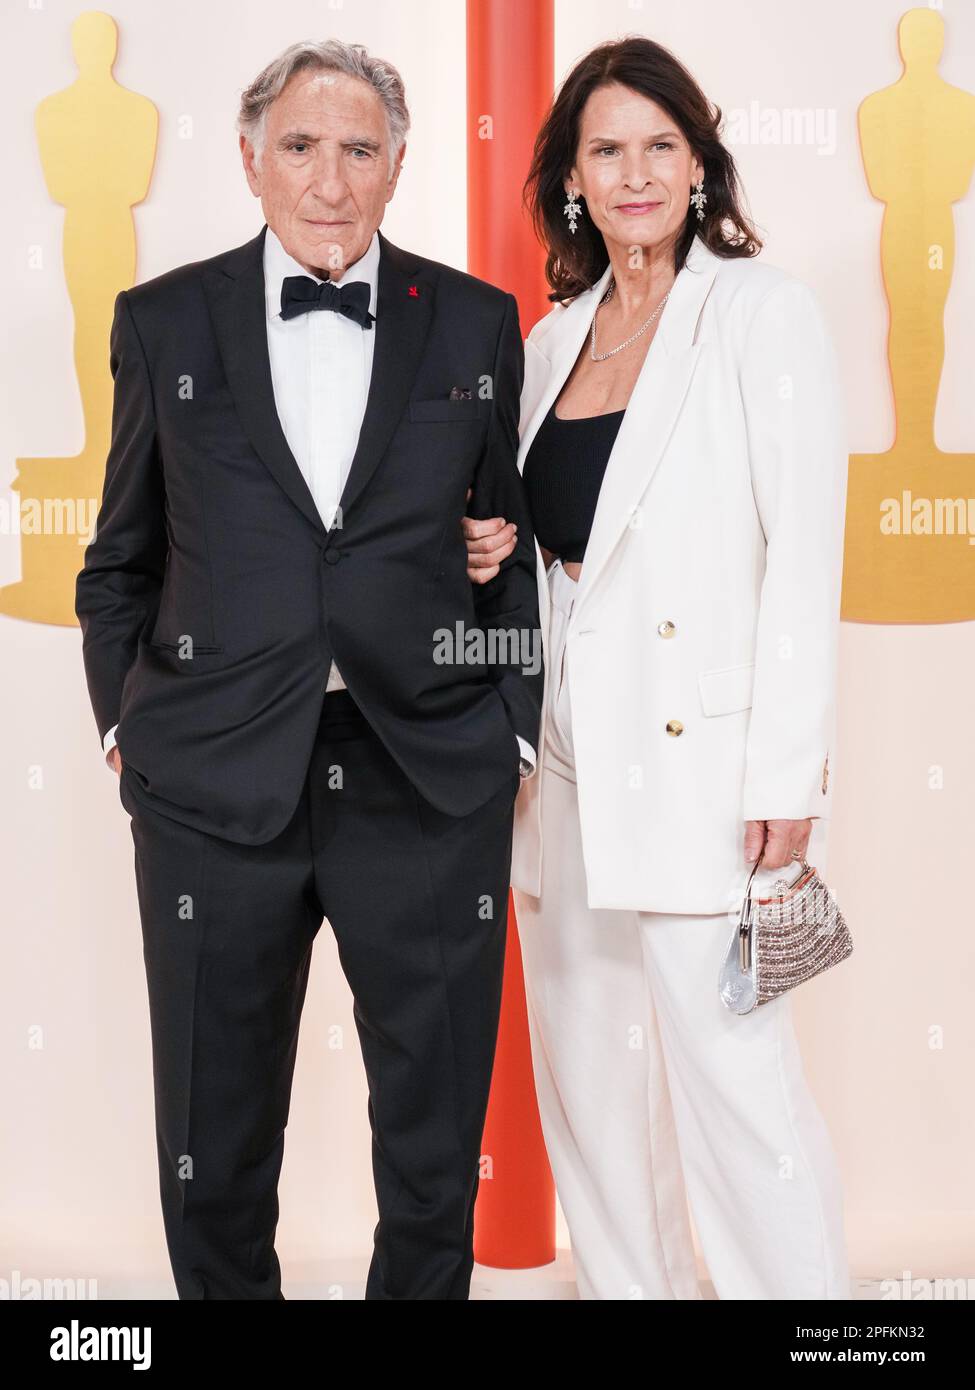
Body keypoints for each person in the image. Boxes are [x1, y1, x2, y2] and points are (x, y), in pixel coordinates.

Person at [76, 38, 542, 1300]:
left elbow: (512, 558)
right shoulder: (163, 320)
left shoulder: (482, 321)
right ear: (248, 161)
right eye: (298, 146)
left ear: (399, 165)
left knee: (435, 1156)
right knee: (212, 1151)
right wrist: (133, 738)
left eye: (358, 149)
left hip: (426, 780)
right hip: (213, 790)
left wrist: (505, 727)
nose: (328, 181)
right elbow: (117, 560)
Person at [463, 36, 850, 1300]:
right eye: (606, 150)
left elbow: (804, 558)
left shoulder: (760, 313)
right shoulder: (547, 339)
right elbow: (546, 546)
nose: (635, 175)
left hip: (707, 757)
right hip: (562, 750)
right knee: (584, 1078)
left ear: (699, 161)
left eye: (660, 147)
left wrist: (786, 774)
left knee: (736, 1088)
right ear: (572, 176)